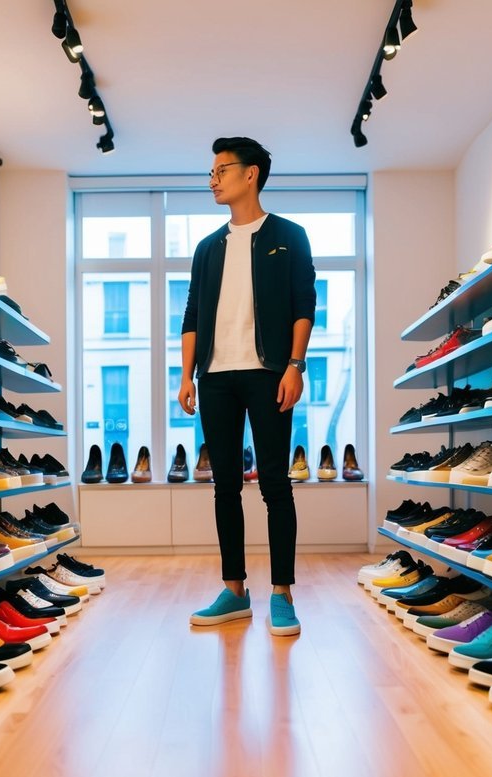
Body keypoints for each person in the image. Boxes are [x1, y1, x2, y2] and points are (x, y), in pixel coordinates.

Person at [178, 136, 315, 637]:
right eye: (210, 172)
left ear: (251, 173)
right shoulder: (207, 247)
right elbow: (193, 314)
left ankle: (282, 594)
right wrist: (186, 375)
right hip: (215, 377)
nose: (212, 179)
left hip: (268, 373)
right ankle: (234, 590)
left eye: (221, 170)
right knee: (225, 486)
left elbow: (305, 303)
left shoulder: (289, 235)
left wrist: (294, 365)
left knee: (276, 485)